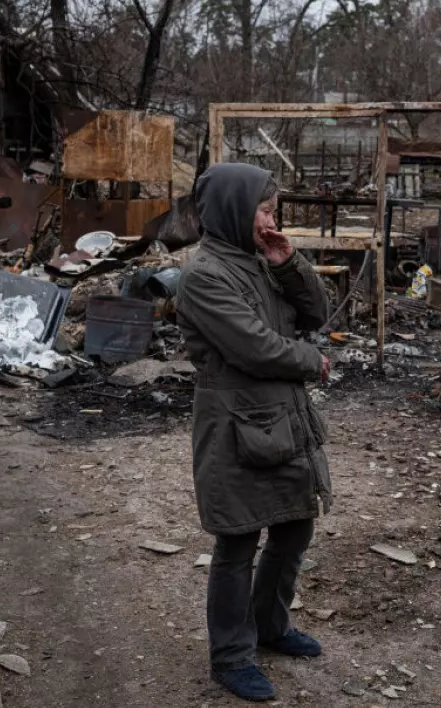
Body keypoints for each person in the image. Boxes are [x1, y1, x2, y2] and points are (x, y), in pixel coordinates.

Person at [175, 163, 332, 702]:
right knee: (238, 538)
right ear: (234, 211)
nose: (271, 221)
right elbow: (254, 347)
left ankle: (270, 626)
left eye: (272, 210)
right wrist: (312, 361)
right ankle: (231, 656)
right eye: (264, 210)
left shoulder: (262, 260)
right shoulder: (205, 276)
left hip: (283, 415)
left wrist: (289, 265)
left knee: (294, 528)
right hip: (234, 422)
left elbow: (318, 312)